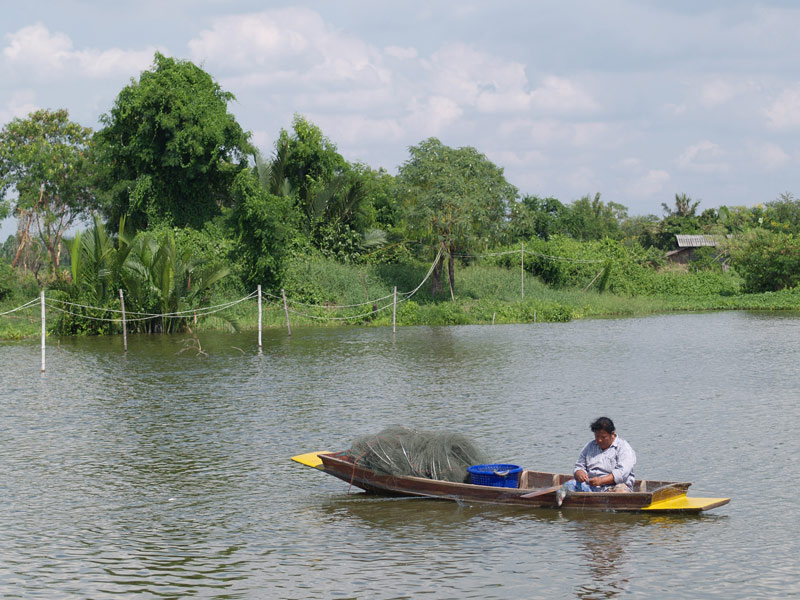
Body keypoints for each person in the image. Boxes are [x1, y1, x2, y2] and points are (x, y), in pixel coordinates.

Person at [556, 417, 636, 505]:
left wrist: (601, 481)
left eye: (603, 437)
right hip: (591, 487)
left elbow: (622, 473)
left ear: (612, 434)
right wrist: (579, 473)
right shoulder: (590, 446)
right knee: (567, 486)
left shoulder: (623, 447)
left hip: (615, 487)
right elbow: (579, 466)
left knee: (620, 492)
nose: (599, 440)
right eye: (597, 436)